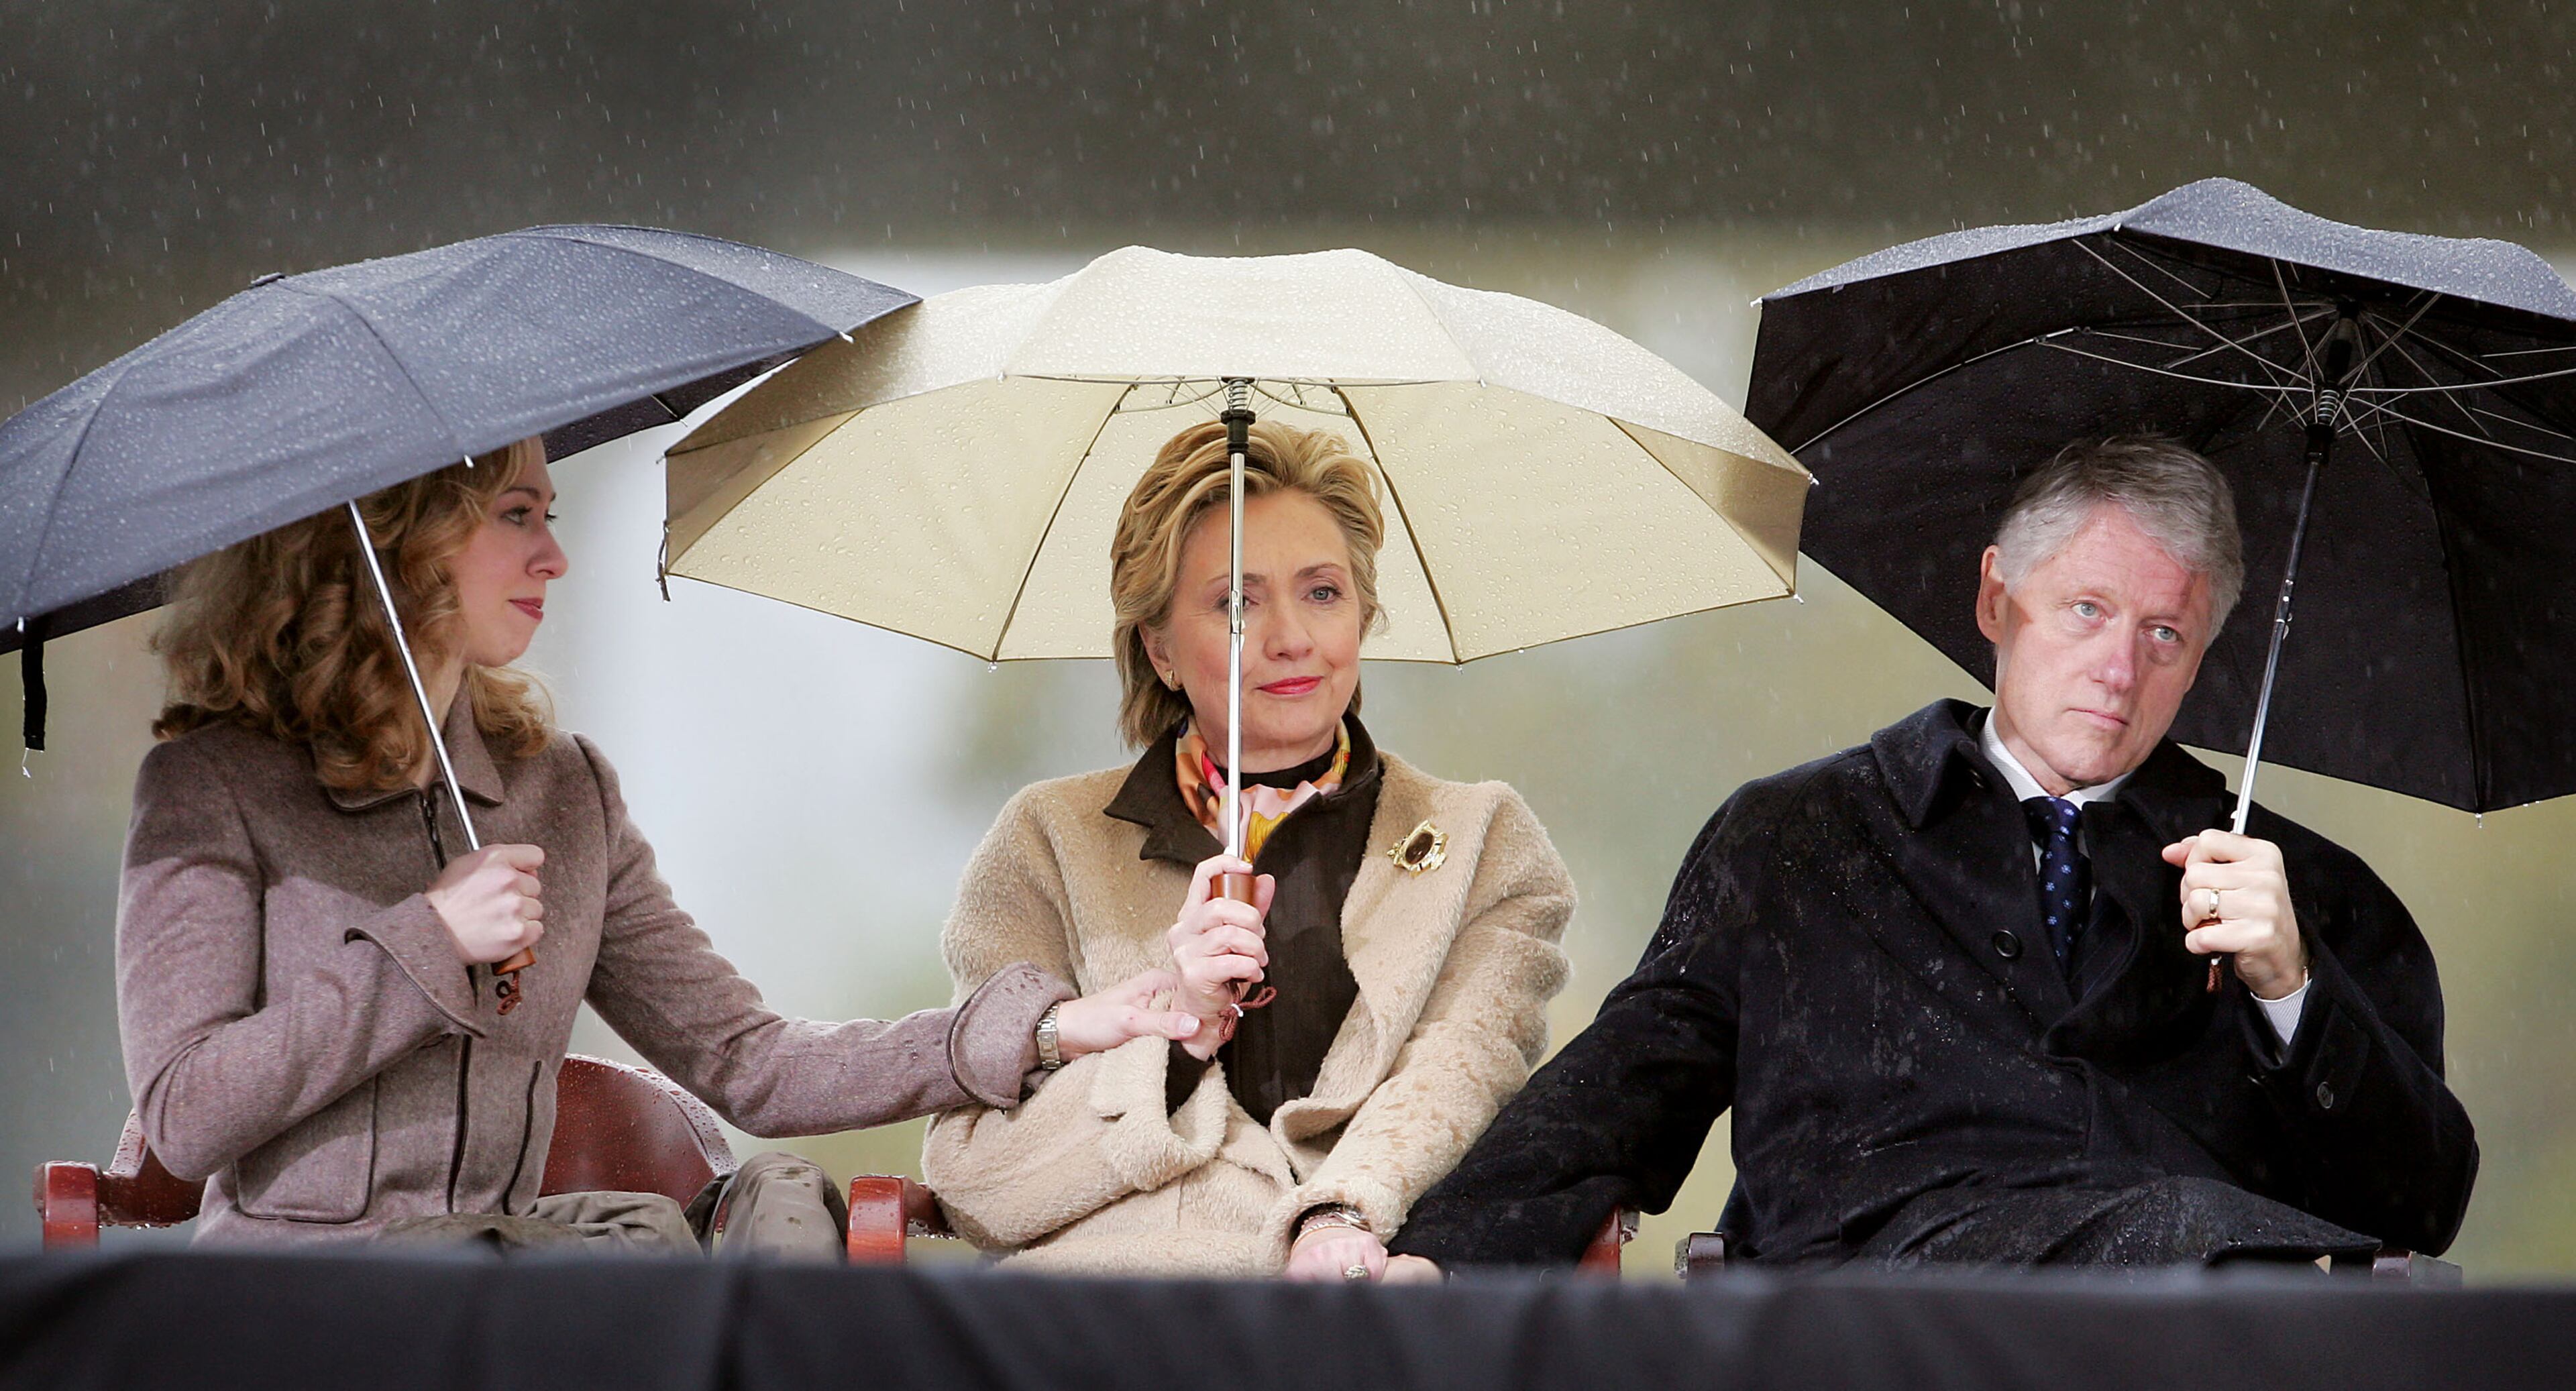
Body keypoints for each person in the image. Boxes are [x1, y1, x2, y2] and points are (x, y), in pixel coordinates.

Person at [1390, 436, 2479, 1270]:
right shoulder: (1800, 841)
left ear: (2202, 658)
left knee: (2213, 1249)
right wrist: (1417, 1258)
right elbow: (1619, 1090)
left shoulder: (2306, 894)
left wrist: (2296, 990)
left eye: (2163, 633)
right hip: (1871, 1323)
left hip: (2195, 1341)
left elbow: (2419, 1208)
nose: (2118, 667)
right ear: (1997, 599)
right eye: (2087, 610)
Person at [117, 437, 1203, 1254]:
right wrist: (424, 940)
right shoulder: (209, 790)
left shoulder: (561, 790)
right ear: (398, 536)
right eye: (515, 514)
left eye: (551, 513)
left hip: (510, 1306)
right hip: (298, 1313)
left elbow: (754, 1063)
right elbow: (188, 1109)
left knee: (778, 1207)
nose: (556, 554)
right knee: (631, 1264)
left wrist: (1051, 1026)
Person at [922, 419, 1575, 1280]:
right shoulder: (1045, 843)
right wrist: (1177, 1034)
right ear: (1158, 647)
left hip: (1361, 1300)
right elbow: (982, 1179)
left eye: (1322, 592)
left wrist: (1342, 1212)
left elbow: (1459, 1077)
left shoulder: (1481, 845)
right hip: (1103, 1317)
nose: (1291, 638)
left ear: (1364, 612)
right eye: (1237, 603)